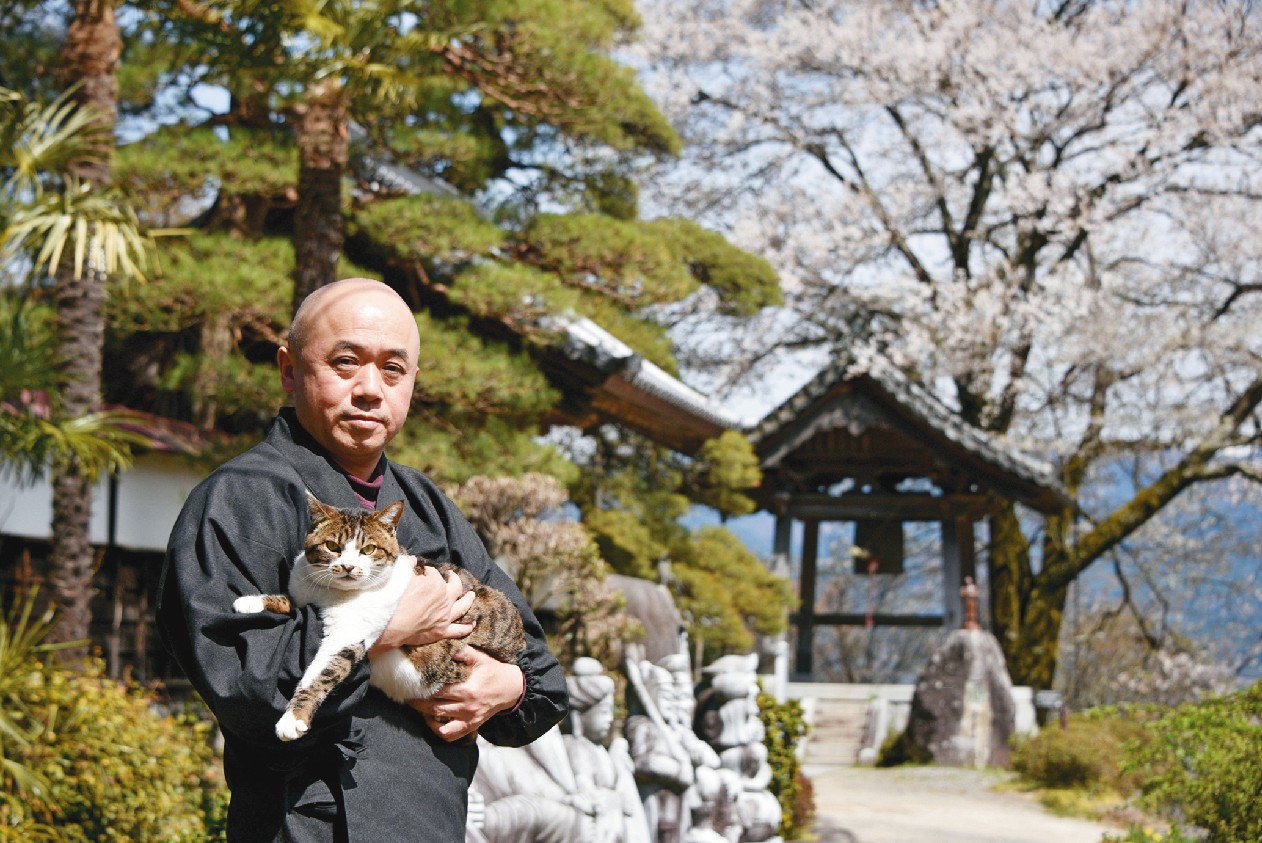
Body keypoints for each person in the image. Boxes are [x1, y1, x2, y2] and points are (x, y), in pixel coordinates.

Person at [157, 278, 568, 842]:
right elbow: (245, 687)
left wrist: (507, 688)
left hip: (433, 822)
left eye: (392, 370)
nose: (370, 389)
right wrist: (385, 629)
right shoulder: (241, 498)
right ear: (289, 370)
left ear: (412, 382)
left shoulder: (424, 505)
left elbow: (542, 675)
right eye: (345, 362)